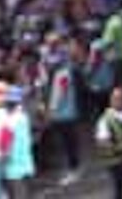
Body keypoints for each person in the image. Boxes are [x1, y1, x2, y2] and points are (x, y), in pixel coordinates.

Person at [0, 87, 34, 198]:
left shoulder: (7, 119)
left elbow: (3, 146)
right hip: (23, 166)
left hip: (11, 169)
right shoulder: (21, 117)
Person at [44, 51, 82, 186]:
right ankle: (73, 169)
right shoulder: (66, 72)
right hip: (68, 114)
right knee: (70, 144)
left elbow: (59, 94)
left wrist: (51, 110)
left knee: (69, 144)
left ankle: (73, 171)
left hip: (64, 116)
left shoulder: (62, 74)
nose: (49, 66)